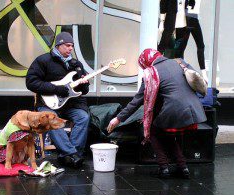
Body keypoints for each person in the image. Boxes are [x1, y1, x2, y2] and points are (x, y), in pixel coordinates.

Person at [107, 48, 206, 178]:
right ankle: (183, 167)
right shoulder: (180, 62)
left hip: (175, 110)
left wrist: (118, 119)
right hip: (195, 109)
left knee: (153, 132)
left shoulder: (151, 73)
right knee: (166, 133)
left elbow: (137, 101)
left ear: (146, 62)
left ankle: (164, 168)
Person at [26, 31, 90, 168]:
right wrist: (55, 89)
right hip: (48, 104)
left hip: (71, 104)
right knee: (51, 119)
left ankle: (70, 155)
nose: (70, 48)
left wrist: (85, 84)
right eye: (67, 45)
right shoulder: (43, 60)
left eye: (72, 46)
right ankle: (72, 154)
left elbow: (83, 92)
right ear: (59, 45)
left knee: (83, 117)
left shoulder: (76, 64)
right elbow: (31, 82)